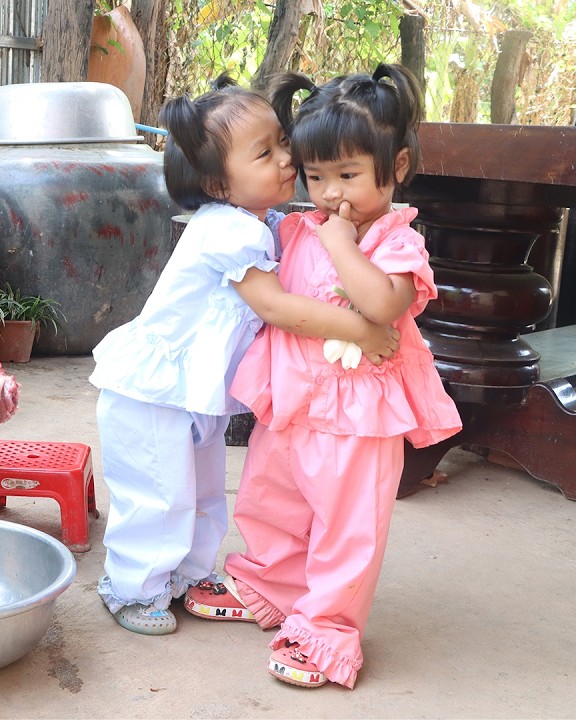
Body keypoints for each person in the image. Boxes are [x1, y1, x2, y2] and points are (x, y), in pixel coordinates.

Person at [87, 75, 401, 636]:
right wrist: (363, 330)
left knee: (204, 491)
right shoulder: (225, 232)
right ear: (217, 182)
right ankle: (131, 589)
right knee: (158, 498)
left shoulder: (258, 221)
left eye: (284, 143)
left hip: (191, 394)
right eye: (265, 153)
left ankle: (185, 575)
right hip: (151, 394)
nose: (287, 159)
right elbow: (279, 308)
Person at [184, 64, 463, 688]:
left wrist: (341, 242)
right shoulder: (294, 228)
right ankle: (269, 586)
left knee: (346, 525)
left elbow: (384, 306)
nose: (331, 194)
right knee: (270, 496)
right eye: (316, 177)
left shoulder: (396, 241)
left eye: (348, 176)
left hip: (359, 417)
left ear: (396, 168)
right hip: (291, 399)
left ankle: (330, 629)